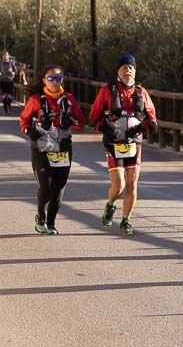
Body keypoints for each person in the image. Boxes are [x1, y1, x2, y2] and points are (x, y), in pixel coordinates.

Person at [89, 53, 158, 236]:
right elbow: (94, 116)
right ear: (118, 71)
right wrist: (104, 128)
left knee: (132, 185)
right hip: (114, 142)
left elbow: (151, 112)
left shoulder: (141, 92)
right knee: (118, 186)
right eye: (124, 68)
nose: (128, 71)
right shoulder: (107, 90)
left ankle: (126, 221)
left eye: (131, 68)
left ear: (135, 71)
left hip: (134, 142)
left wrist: (152, 124)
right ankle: (110, 205)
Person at [19, 64, 85, 234]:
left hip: (62, 147)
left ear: (62, 80)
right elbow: (24, 121)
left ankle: (52, 222)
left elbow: (81, 124)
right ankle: (41, 216)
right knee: (47, 185)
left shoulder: (69, 100)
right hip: (42, 147)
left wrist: (71, 122)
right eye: (51, 78)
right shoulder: (36, 100)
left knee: (59, 186)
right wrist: (30, 131)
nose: (55, 82)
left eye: (58, 78)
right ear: (44, 81)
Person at [1, 50, 17, 115]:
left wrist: (13, 72)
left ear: (8, 56)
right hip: (3, 80)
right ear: (2, 56)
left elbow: (16, 71)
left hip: (10, 81)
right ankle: (5, 109)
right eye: (4, 55)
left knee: (9, 96)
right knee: (4, 96)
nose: (5, 56)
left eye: (7, 55)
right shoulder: (0, 62)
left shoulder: (11, 63)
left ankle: (9, 106)